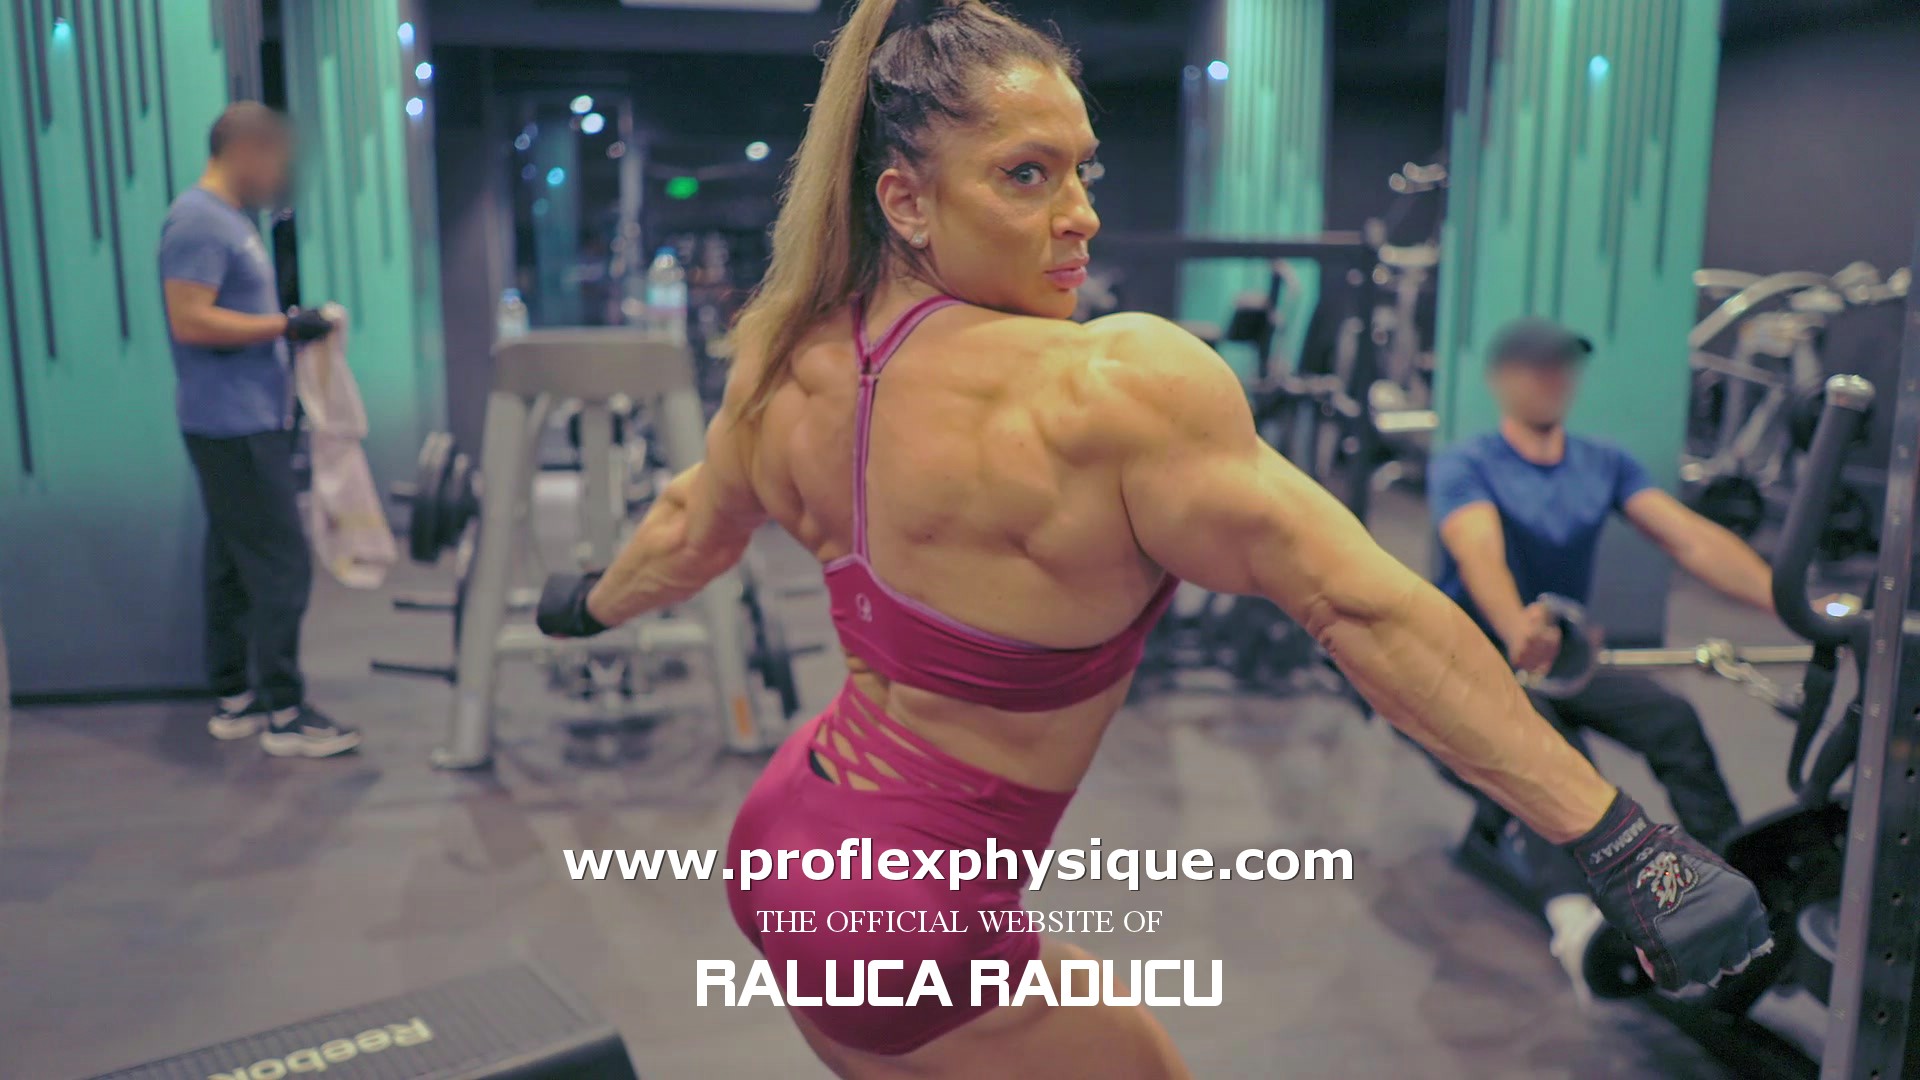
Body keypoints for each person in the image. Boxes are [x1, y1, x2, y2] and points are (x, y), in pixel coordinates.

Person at [538, 2, 1770, 1075]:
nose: (1079, 215)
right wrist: (1622, 842)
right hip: (910, 911)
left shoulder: (790, 363)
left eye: (1083, 170)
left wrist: (585, 604)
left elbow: (685, 533)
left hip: (788, 840)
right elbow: (1362, 608)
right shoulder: (1112, 390)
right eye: (1027, 176)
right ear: (905, 201)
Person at [1428, 316, 1778, 999]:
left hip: (1563, 656)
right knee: (1553, 753)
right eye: (1535, 365)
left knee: (1673, 720)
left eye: (1562, 364)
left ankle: (1732, 876)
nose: (1552, 377)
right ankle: (1575, 921)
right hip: (1481, 656)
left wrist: (1788, 601)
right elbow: (1478, 551)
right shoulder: (1467, 464)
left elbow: (1690, 539)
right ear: (1501, 378)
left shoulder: (1602, 462)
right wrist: (1515, 627)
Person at [158, 102, 359, 758]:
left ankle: (235, 697)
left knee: (231, 561)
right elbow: (189, 319)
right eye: (276, 161)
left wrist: (287, 325)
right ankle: (285, 712)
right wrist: (285, 326)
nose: (279, 176)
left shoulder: (229, 221)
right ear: (248, 150)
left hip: (245, 420)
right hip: (232, 425)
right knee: (281, 565)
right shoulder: (197, 220)